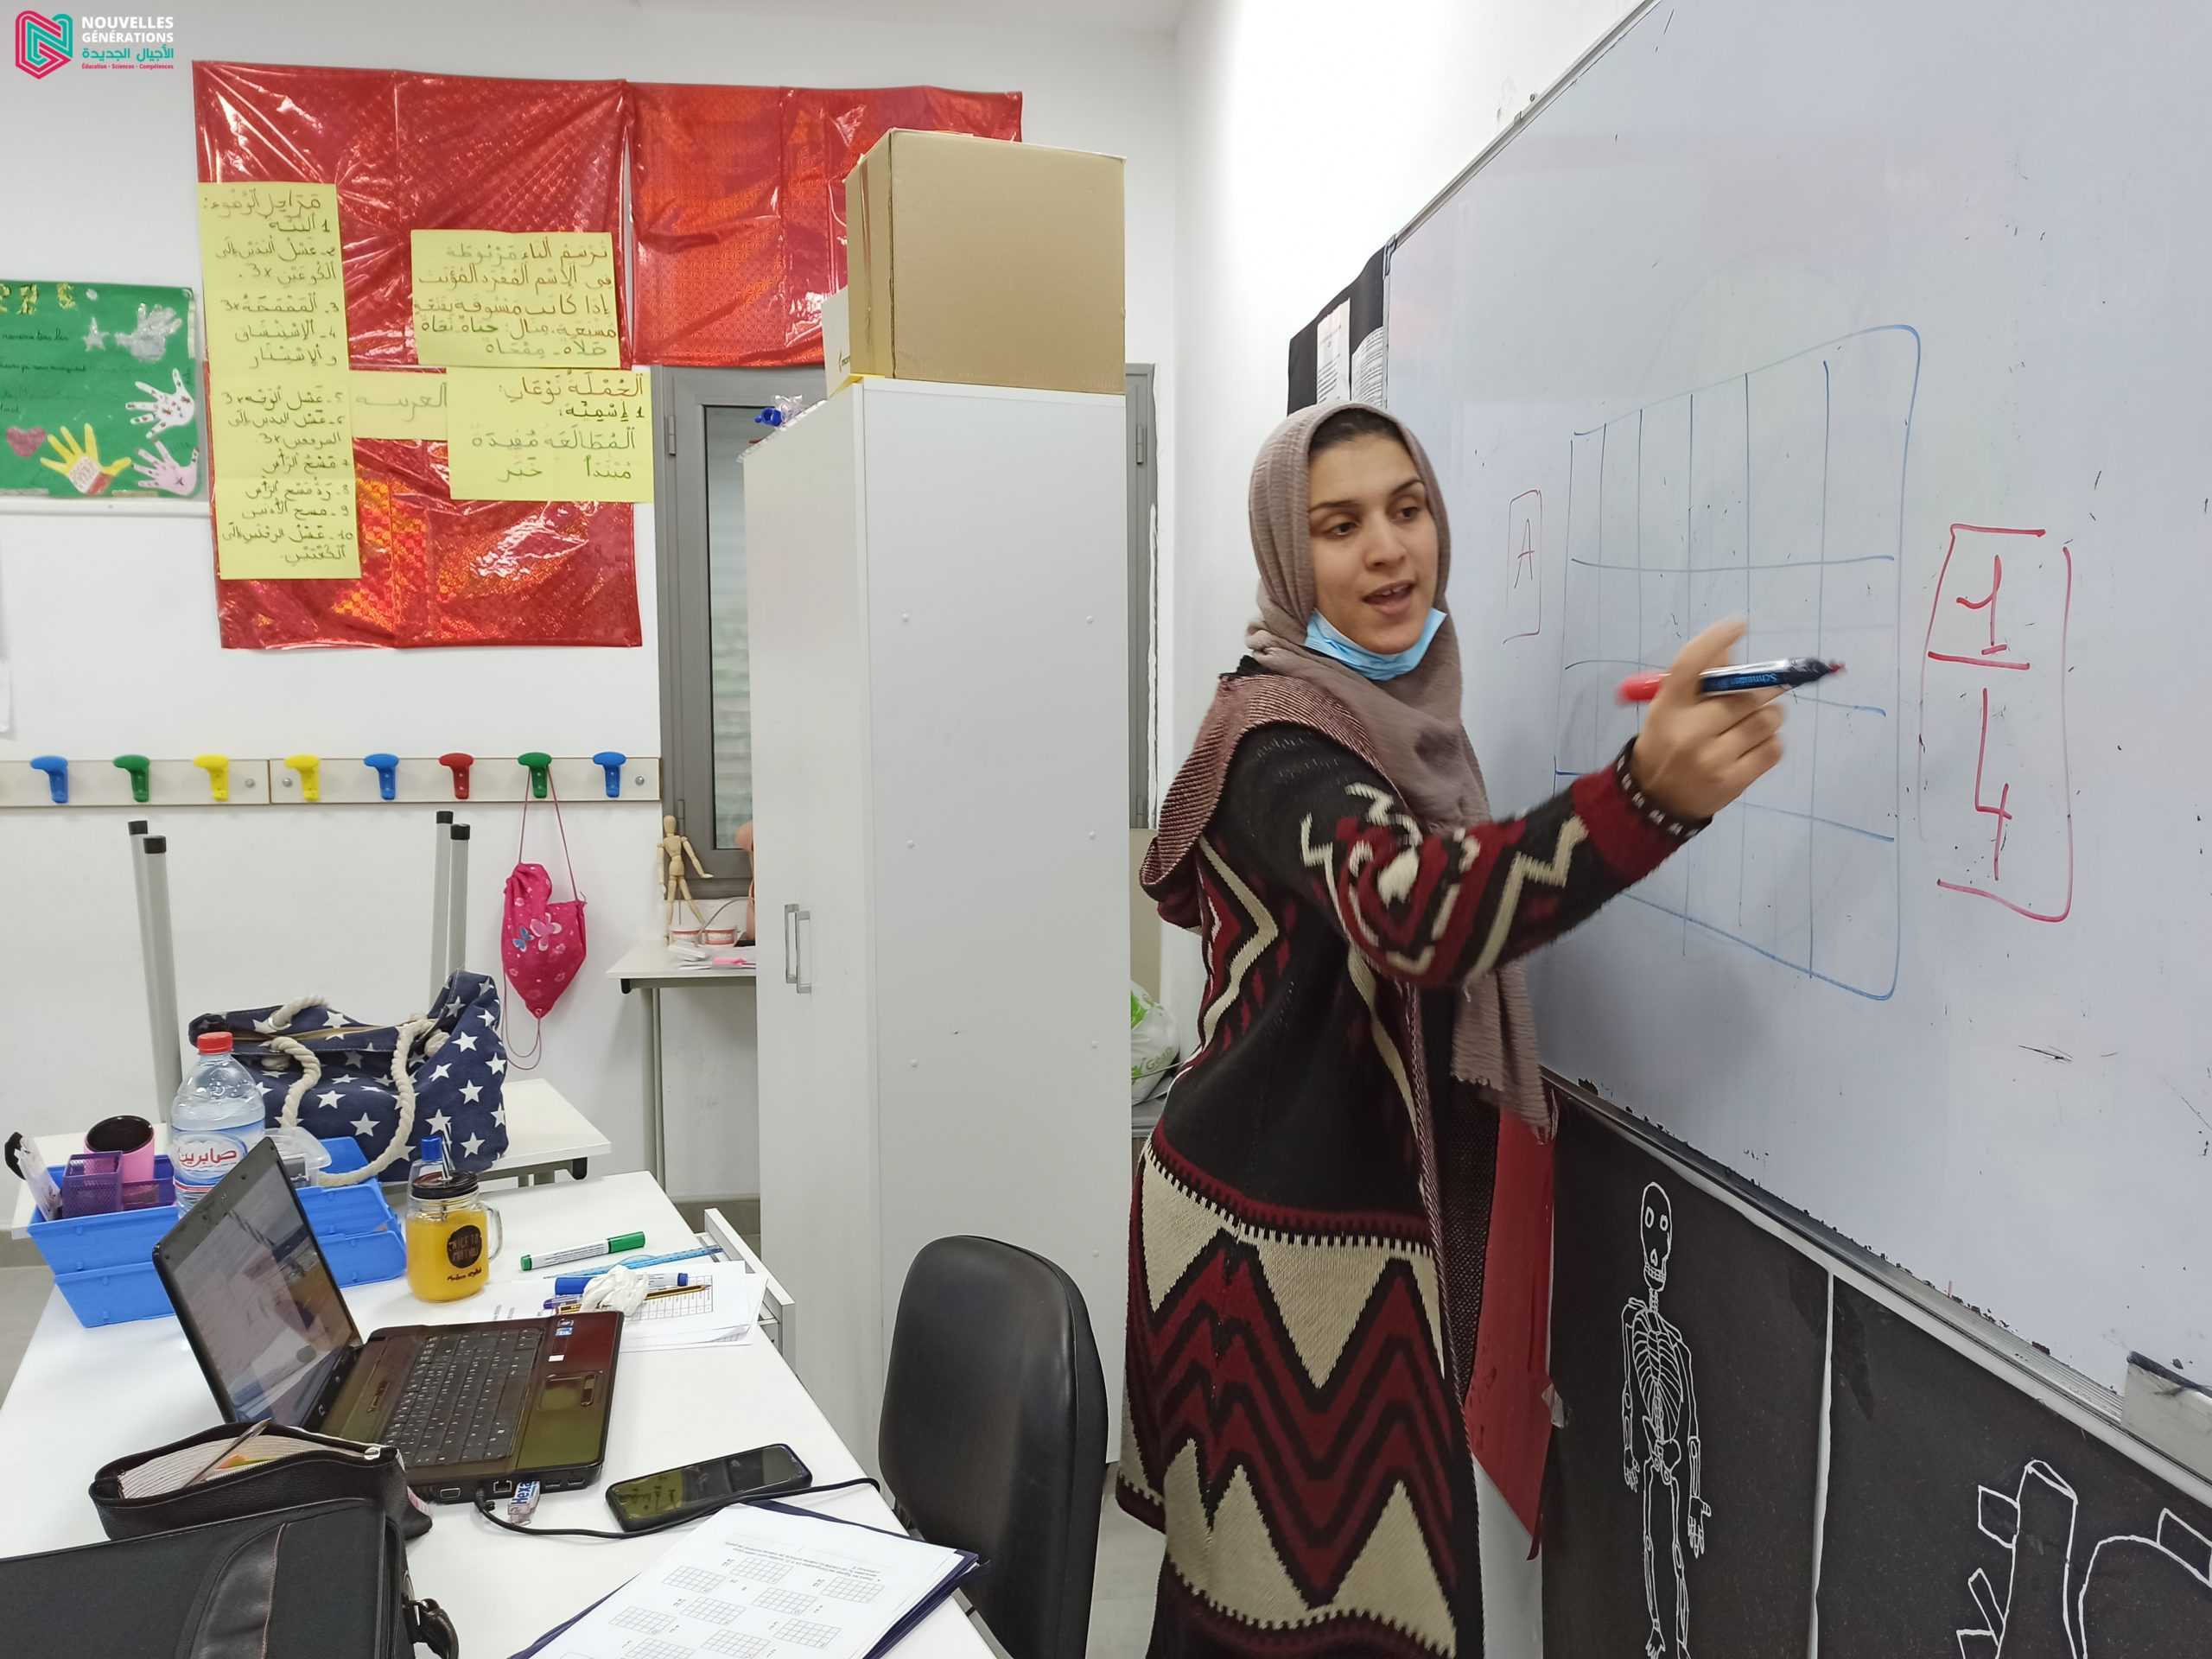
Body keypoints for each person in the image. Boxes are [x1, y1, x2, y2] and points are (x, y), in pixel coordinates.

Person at [1118, 402, 1784, 1656]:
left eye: (1407, 508)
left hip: (1343, 1236)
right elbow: (1418, 910)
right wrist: (1641, 799)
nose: (1387, 549)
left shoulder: (1399, 726)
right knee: (1297, 1615)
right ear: (1285, 555)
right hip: (1272, 1254)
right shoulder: (1279, 740)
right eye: (1338, 526)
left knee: (1335, 1606)